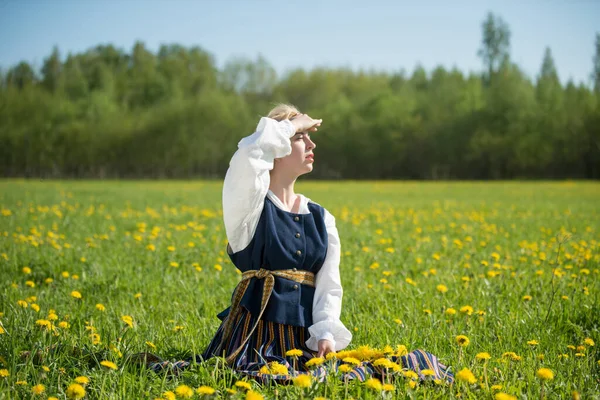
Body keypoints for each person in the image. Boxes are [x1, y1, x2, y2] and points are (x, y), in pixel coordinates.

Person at [145, 104, 454, 384]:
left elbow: (329, 285)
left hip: (303, 339)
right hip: (255, 336)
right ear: (277, 148)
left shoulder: (322, 217)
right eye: (300, 138)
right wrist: (289, 125)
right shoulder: (249, 208)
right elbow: (247, 156)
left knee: (364, 370)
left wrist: (325, 334)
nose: (311, 144)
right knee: (263, 377)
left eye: (308, 136)